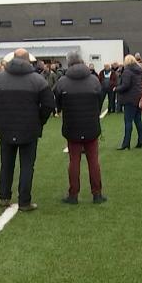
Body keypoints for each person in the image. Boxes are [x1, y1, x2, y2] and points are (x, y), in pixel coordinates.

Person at [0, 49, 55, 210]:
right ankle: (24, 201)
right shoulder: (38, 80)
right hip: (29, 128)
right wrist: (39, 121)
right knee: (27, 166)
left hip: (5, 127)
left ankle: (4, 197)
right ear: (28, 61)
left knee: (6, 164)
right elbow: (48, 104)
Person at [54, 51, 107, 204]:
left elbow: (58, 101)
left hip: (72, 126)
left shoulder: (62, 82)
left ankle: (73, 195)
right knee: (93, 161)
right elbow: (100, 99)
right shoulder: (94, 80)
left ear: (68, 63)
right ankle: (97, 194)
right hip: (91, 125)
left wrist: (60, 110)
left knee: (74, 161)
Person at [115, 55, 142, 150]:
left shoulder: (127, 71)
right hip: (138, 97)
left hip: (129, 99)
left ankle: (126, 143)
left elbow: (125, 85)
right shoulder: (139, 71)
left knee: (128, 122)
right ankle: (141, 141)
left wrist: (116, 88)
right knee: (138, 120)